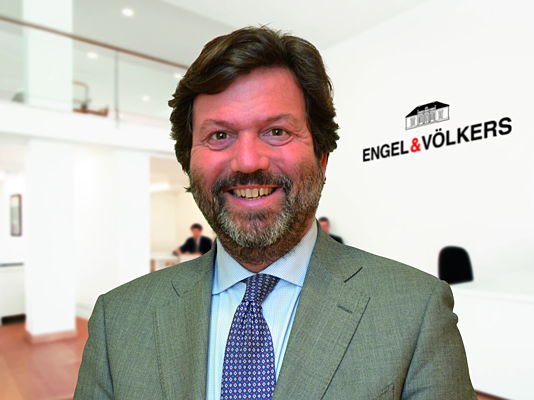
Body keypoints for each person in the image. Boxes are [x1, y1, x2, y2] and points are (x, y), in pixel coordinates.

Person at [75, 26, 476, 399]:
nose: (248, 161)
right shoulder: (118, 320)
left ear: (321, 157)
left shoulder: (415, 311)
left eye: (277, 131)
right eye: (219, 135)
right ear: (188, 163)